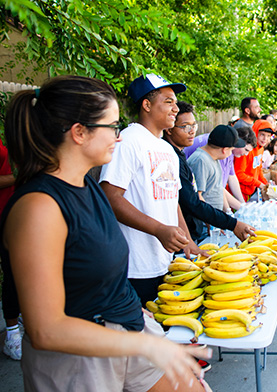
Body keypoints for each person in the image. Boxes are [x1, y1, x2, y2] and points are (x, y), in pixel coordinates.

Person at [0, 75, 212, 392]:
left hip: (125, 331)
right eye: (112, 128)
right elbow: (47, 329)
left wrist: (145, 326)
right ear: (79, 133)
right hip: (77, 362)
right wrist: (148, 347)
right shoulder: (38, 208)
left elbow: (105, 277)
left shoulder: (87, 186)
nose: (120, 136)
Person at [100, 73, 200, 305]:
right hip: (134, 266)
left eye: (175, 102)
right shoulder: (129, 140)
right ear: (146, 105)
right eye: (168, 101)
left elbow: (170, 200)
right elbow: (110, 197)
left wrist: (188, 243)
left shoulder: (166, 149)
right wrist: (158, 230)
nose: (176, 108)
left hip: (164, 261)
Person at [163, 101, 254, 243]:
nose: (192, 131)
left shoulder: (211, 160)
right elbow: (193, 201)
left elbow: (219, 188)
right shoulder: (195, 160)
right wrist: (227, 223)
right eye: (186, 127)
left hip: (203, 226)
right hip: (194, 231)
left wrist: (230, 213)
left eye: (194, 126)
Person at [188, 125, 243, 213]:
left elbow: (217, 188)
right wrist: (209, 220)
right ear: (224, 150)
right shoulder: (201, 160)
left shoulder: (214, 158)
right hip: (205, 222)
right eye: (231, 150)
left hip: (214, 217)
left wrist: (228, 211)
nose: (230, 154)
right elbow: (197, 196)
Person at [0, 137, 20, 361]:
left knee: (15, 272)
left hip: (9, 211)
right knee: (12, 275)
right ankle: (12, 334)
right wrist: (19, 178)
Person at [234, 119, 275, 201]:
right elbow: (238, 174)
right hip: (239, 192)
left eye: (268, 136)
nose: (265, 139)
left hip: (251, 190)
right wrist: (258, 183)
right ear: (255, 133)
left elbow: (258, 168)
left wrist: (265, 183)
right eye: (262, 135)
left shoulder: (261, 148)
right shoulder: (245, 150)